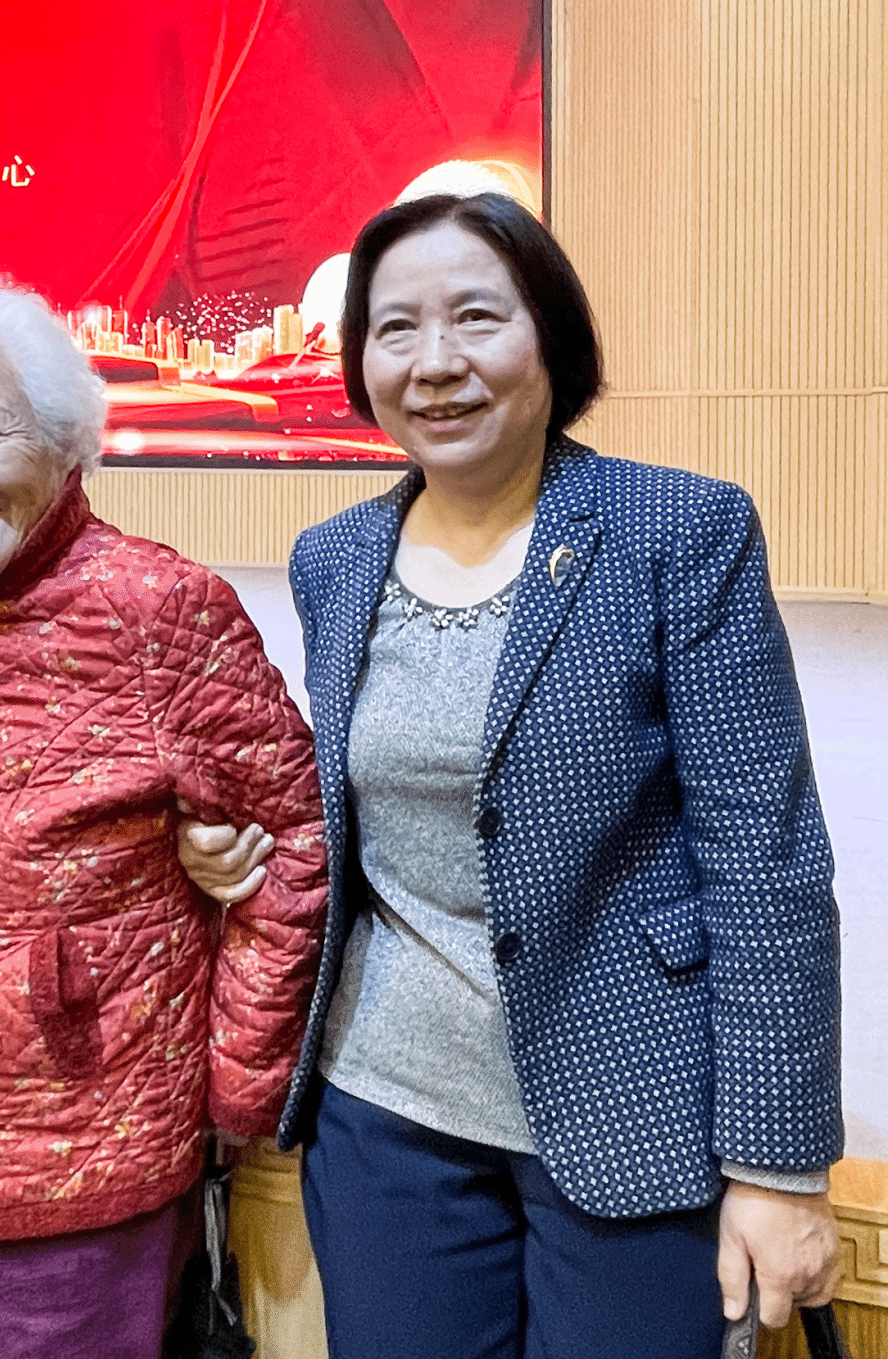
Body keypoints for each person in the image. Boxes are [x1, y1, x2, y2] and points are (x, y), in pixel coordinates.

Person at [280, 192, 843, 1359]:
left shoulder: (675, 530)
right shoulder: (332, 559)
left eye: (475, 317)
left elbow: (764, 862)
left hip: (630, 1109)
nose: (434, 362)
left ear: (549, 335)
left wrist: (779, 1168)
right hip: (384, 1114)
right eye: (394, 328)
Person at [0, 277, 329, 1359]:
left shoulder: (158, 606)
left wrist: (234, 1091)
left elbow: (294, 846)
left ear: (63, 441)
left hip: (71, 1141)